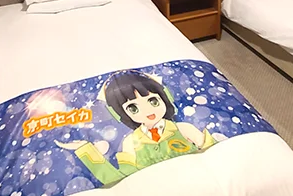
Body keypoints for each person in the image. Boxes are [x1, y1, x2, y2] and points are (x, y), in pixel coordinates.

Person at [55, 71, 222, 185]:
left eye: (153, 101)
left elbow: (216, 153)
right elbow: (117, 178)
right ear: (121, 114)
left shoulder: (184, 129)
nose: (148, 111)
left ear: (165, 98)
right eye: (133, 108)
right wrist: (85, 149)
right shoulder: (130, 142)